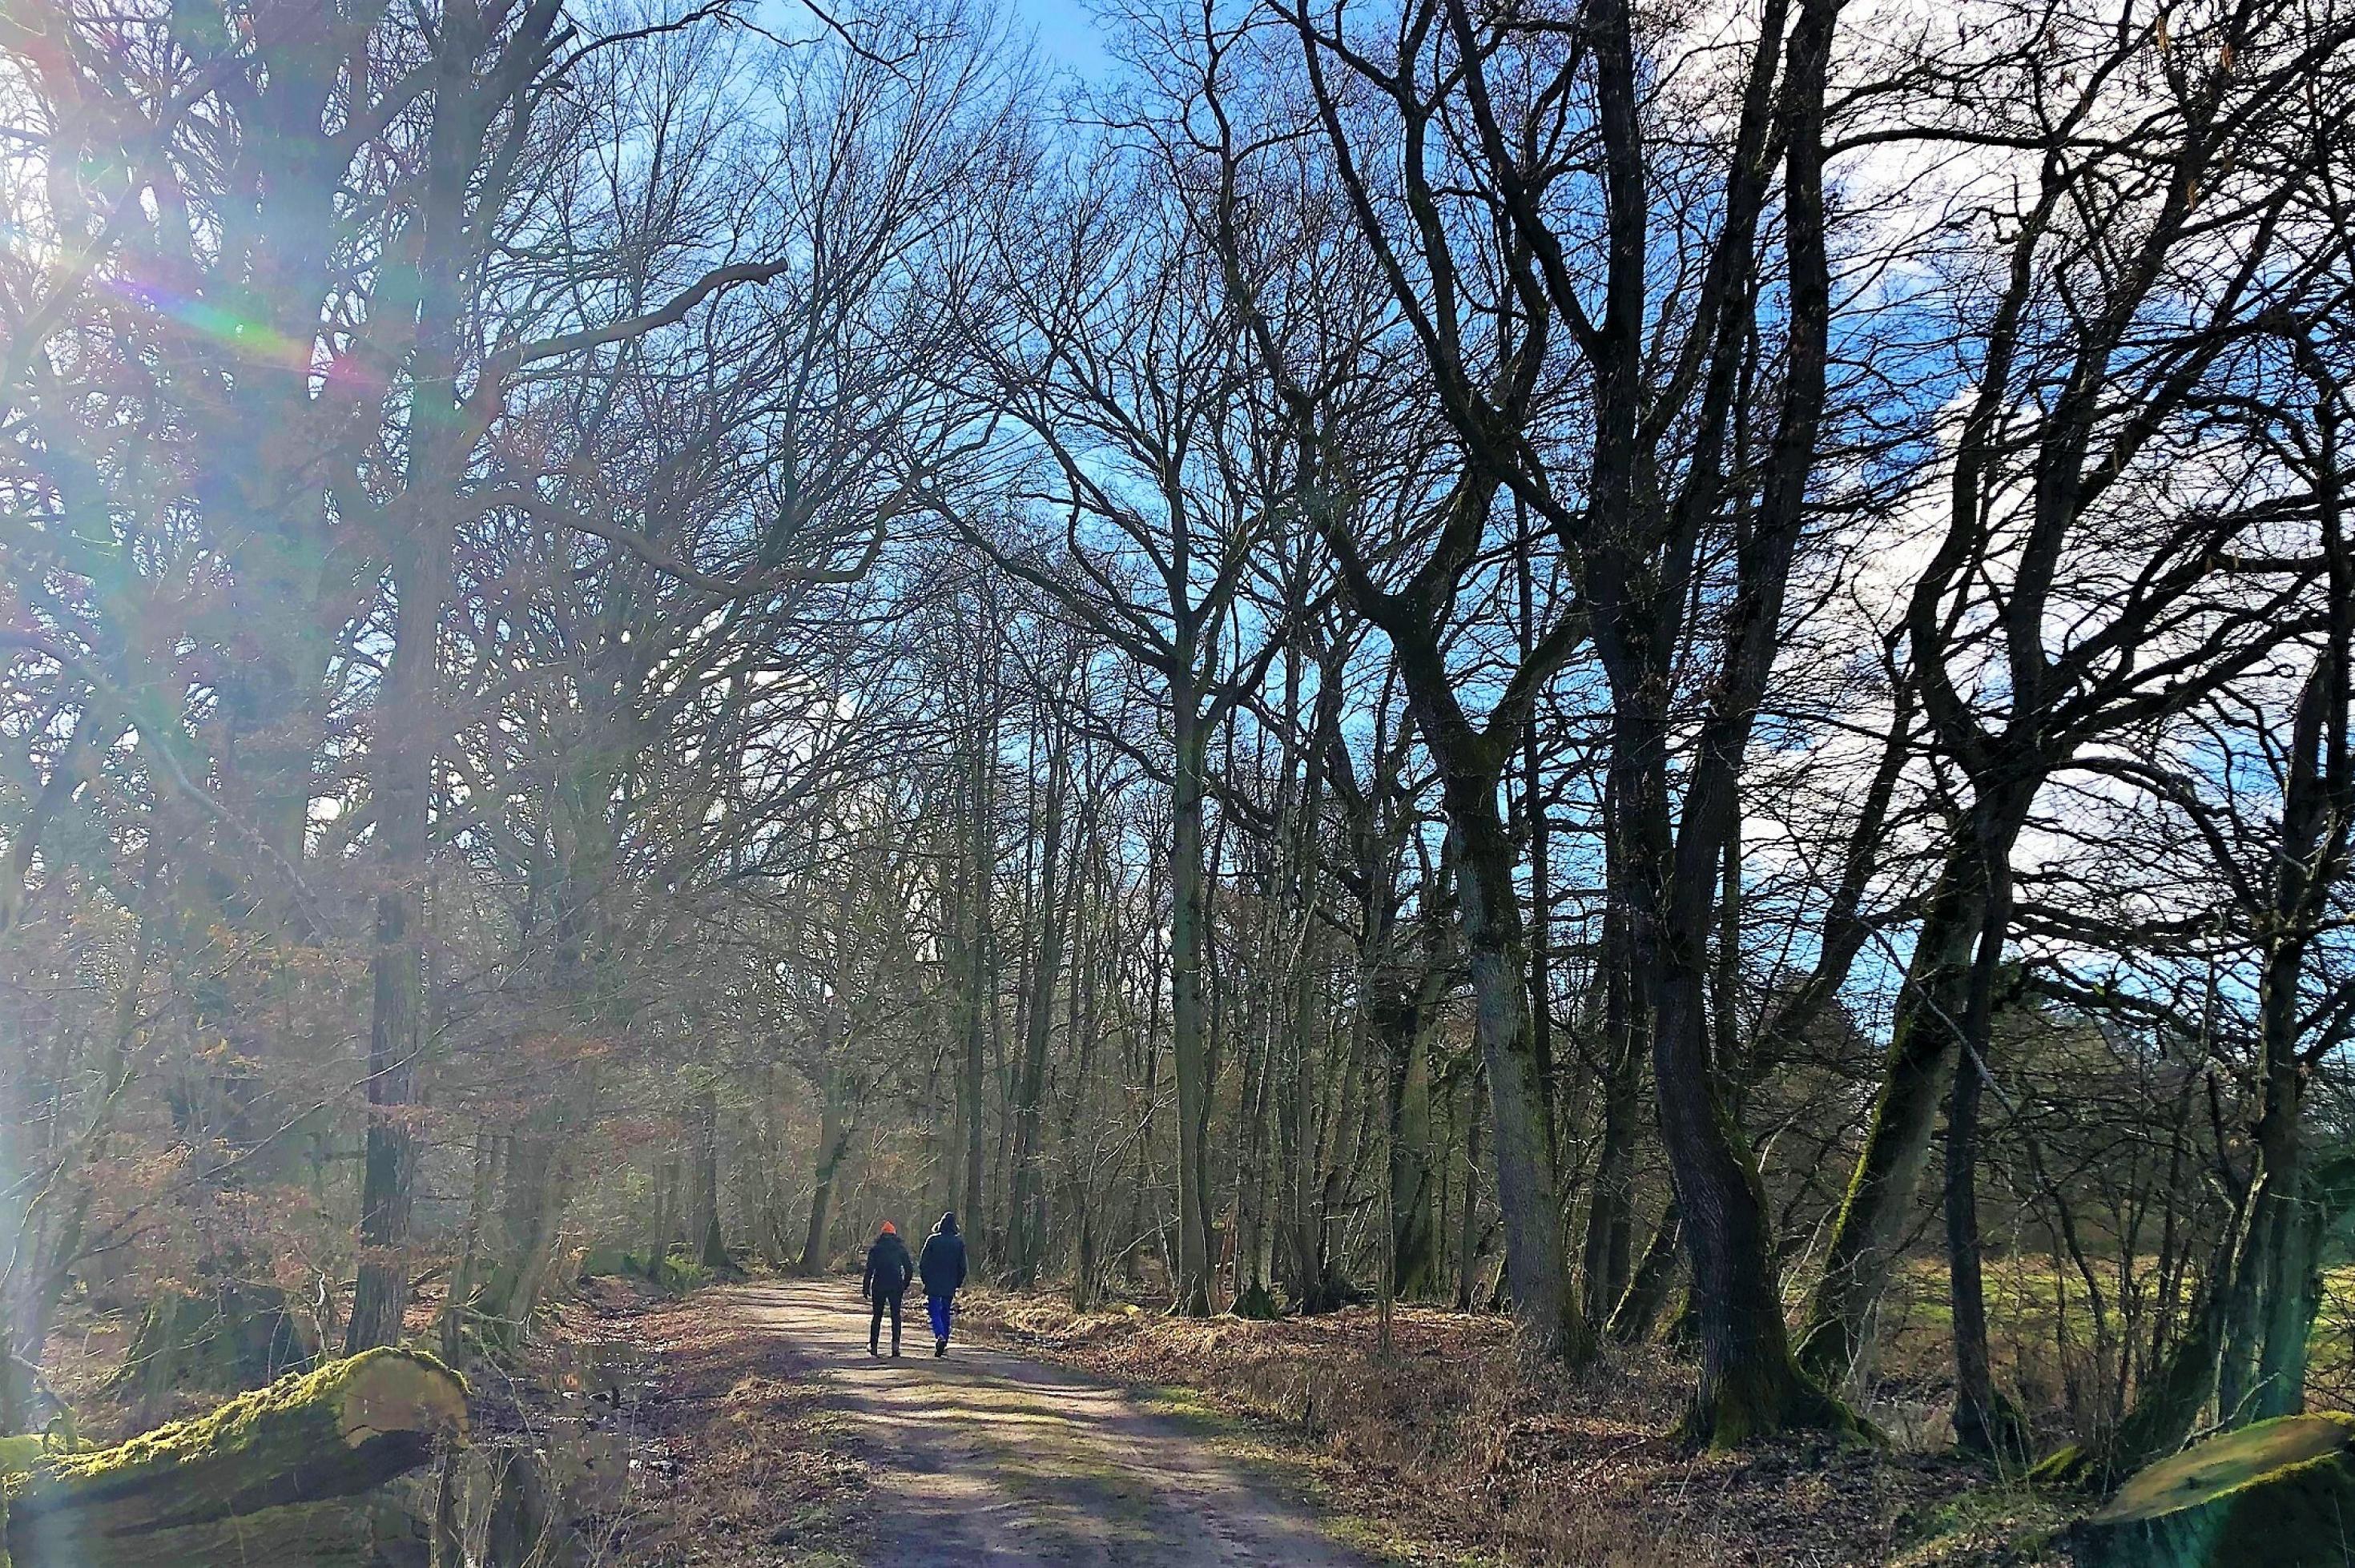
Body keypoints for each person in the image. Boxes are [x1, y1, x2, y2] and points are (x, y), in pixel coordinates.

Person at [918, 1210, 968, 1357]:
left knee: (934, 1311)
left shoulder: (932, 1240)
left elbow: (923, 1263)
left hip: (933, 1282)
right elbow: (962, 1267)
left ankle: (940, 1335)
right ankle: (944, 1339)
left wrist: (925, 1280)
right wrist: (957, 1283)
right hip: (950, 1283)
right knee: (945, 1311)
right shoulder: (958, 1243)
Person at [861, 1220, 914, 1357]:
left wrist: (866, 1287)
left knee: (877, 1316)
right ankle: (895, 1346)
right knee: (895, 1316)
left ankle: (873, 1346)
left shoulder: (875, 1249)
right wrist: (904, 1285)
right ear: (894, 1234)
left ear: (882, 1234)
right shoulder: (900, 1249)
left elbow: (869, 1270)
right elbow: (909, 1269)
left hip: (879, 1284)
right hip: (896, 1285)